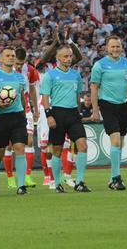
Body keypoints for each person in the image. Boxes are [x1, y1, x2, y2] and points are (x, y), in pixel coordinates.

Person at [90, 35, 127, 190]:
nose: (115, 49)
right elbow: (94, 88)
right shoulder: (99, 65)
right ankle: (116, 178)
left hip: (122, 105)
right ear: (107, 48)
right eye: (112, 46)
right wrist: (95, 110)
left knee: (120, 143)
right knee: (115, 141)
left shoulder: (126, 63)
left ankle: (113, 177)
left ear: (121, 47)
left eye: (118, 46)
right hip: (107, 104)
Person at [40, 45, 91, 193]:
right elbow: (45, 97)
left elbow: (77, 96)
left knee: (83, 146)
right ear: (58, 58)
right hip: (57, 114)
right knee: (57, 151)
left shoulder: (76, 75)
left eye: (70, 56)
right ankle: (57, 183)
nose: (69, 59)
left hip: (73, 114)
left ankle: (80, 182)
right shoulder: (50, 75)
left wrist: (79, 112)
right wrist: (49, 115)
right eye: (65, 56)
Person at [0, 47, 29, 195]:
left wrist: (24, 113)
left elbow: (22, 97)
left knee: (20, 148)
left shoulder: (20, 77)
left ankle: (21, 185)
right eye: (7, 55)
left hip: (17, 116)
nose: (11, 58)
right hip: (0, 117)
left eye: (12, 55)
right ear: (1, 58)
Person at [15, 47, 40, 188]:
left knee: (29, 141)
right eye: (17, 63)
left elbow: (32, 90)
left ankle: (28, 176)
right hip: (11, 111)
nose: (19, 66)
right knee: (10, 145)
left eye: (21, 63)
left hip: (26, 110)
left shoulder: (30, 70)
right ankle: (10, 178)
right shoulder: (6, 70)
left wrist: (36, 108)